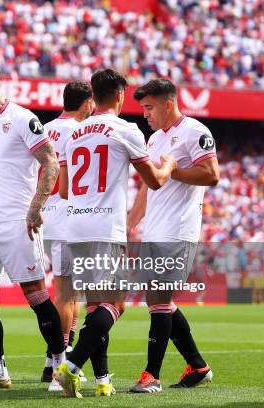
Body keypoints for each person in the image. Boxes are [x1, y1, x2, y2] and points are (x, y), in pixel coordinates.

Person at [54, 69, 176, 398]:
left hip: (75, 225)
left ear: (93, 97)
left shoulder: (74, 134)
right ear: (121, 96)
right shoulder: (126, 130)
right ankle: (71, 367)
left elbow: (63, 190)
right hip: (105, 226)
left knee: (96, 307)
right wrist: (169, 165)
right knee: (116, 304)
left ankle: (102, 380)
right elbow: (154, 181)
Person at [0, 58, 66, 390]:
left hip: (18, 220)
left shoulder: (23, 118)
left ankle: (60, 366)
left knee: (34, 292)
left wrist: (36, 207)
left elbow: (50, 161)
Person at [127, 78, 219, 392]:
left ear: (168, 104)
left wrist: (172, 169)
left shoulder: (195, 131)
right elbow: (147, 183)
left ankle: (151, 375)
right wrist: (131, 221)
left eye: (149, 107)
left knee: (160, 298)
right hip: (155, 227)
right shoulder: (153, 140)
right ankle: (198, 365)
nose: (145, 114)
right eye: (142, 108)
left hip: (179, 229)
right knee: (157, 300)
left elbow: (211, 174)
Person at [40, 80, 94, 392]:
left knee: (70, 293)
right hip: (69, 218)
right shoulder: (81, 131)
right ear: (86, 102)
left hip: (49, 216)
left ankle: (54, 358)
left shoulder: (44, 127)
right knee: (67, 294)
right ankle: (61, 362)